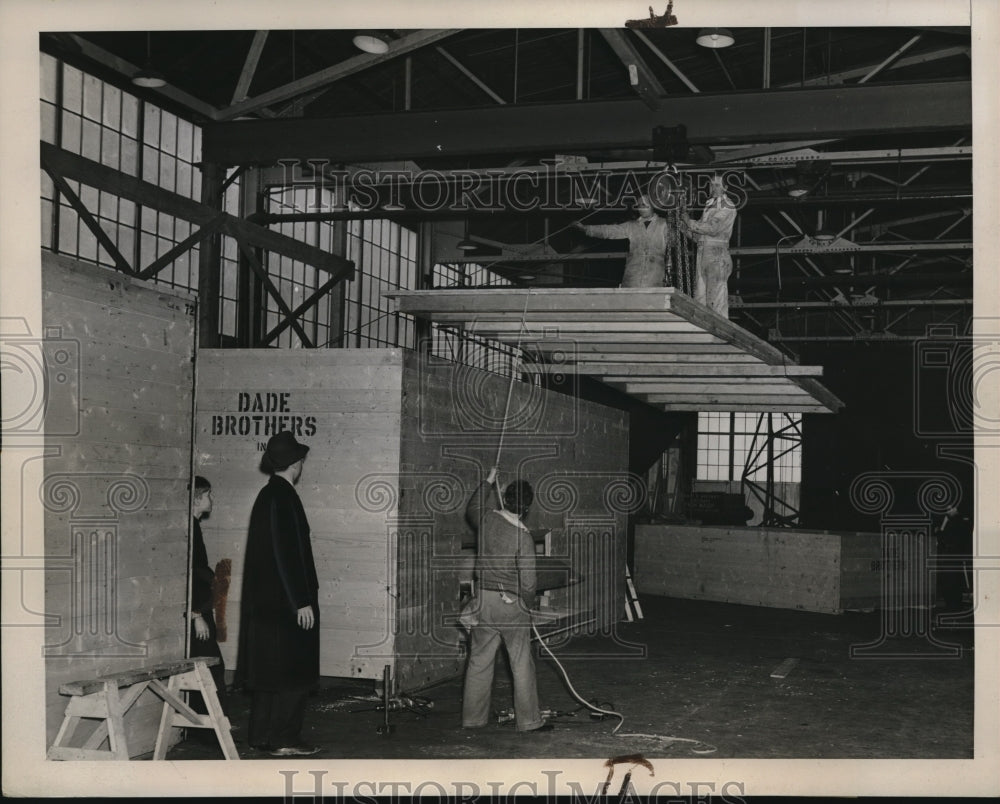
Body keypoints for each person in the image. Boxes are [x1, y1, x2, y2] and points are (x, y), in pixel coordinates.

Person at [236, 431, 321, 757]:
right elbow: (287, 554)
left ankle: (261, 736)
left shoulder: (267, 495)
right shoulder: (282, 497)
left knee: (269, 674)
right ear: (296, 464)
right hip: (287, 605)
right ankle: (285, 738)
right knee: (293, 672)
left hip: (268, 606)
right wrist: (301, 600)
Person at [462, 467, 552, 733]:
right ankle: (529, 722)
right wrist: (527, 604)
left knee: (478, 661)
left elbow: (472, 507)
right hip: (511, 605)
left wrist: (489, 480)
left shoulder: (487, 520)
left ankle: (473, 719)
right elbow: (528, 583)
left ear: (505, 496)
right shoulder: (523, 537)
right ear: (527, 508)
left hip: (482, 602)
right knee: (521, 662)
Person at [188, 475, 227, 718]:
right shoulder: (190, 529)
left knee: (212, 667)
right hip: (198, 612)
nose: (211, 499)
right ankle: (208, 727)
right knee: (210, 668)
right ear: (196, 498)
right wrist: (196, 614)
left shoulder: (194, 526)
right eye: (208, 494)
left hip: (202, 608)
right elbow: (190, 572)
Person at [573, 195, 672, 288]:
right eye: (639, 205)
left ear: (653, 205)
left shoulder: (663, 224)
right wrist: (585, 228)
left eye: (645, 204)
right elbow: (609, 231)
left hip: (655, 279)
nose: (642, 207)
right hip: (632, 280)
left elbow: (674, 241)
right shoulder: (631, 226)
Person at [681, 174, 738, 317]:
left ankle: (718, 335)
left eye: (717, 185)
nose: (713, 188)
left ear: (725, 187)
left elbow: (711, 229)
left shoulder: (727, 206)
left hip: (717, 255)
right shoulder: (709, 206)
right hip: (703, 253)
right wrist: (683, 227)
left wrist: (689, 222)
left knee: (716, 300)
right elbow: (698, 235)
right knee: (700, 300)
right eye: (711, 184)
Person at [935, 504, 973, 611]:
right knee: (947, 580)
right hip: (946, 555)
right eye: (947, 510)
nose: (948, 511)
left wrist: (942, 528)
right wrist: (943, 525)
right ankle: (950, 604)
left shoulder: (961, 521)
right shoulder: (947, 521)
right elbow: (939, 535)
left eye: (950, 509)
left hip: (955, 555)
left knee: (954, 580)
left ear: (956, 509)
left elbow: (956, 538)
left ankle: (955, 604)